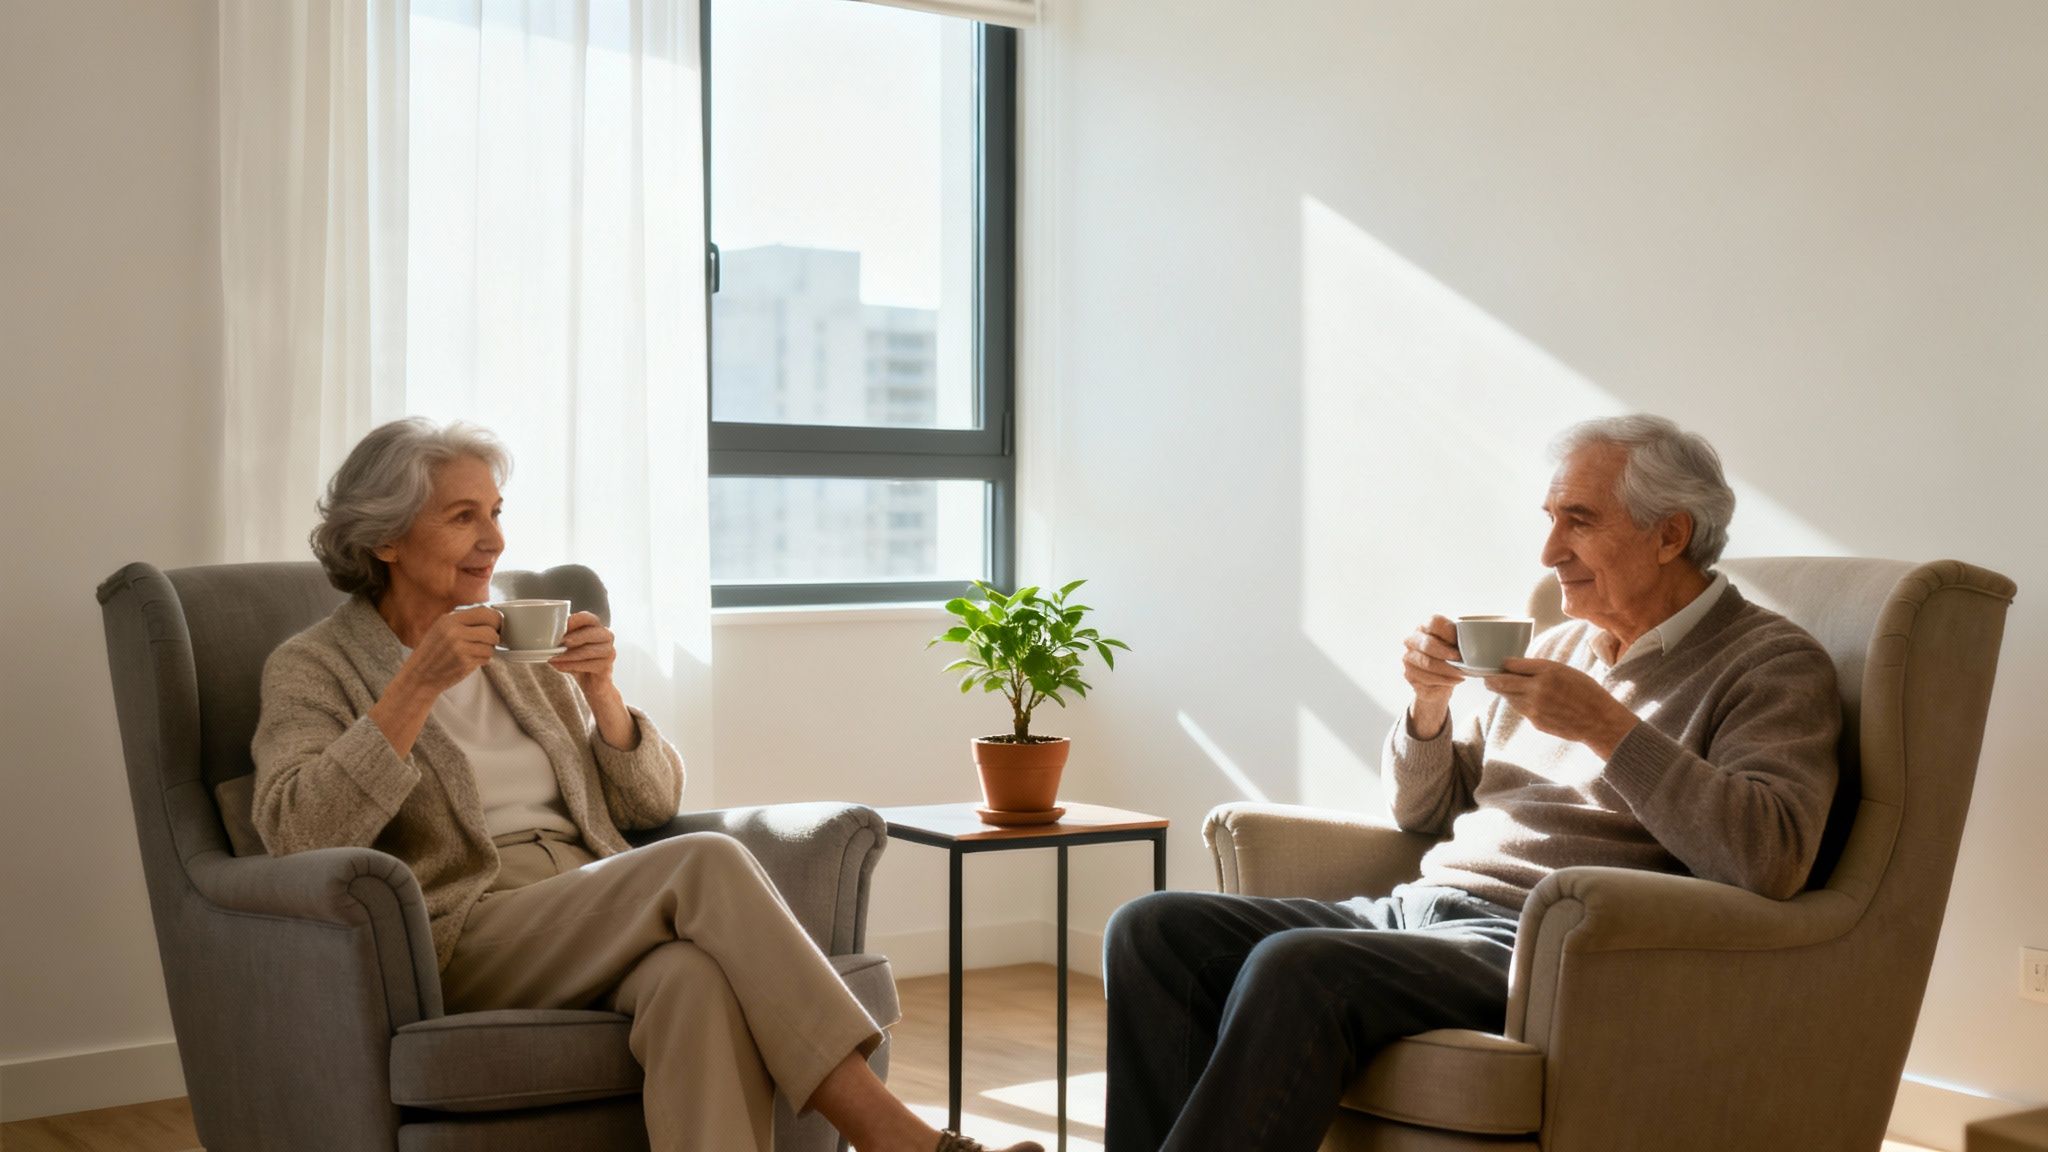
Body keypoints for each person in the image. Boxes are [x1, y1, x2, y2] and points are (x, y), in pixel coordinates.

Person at [253, 418, 1037, 1152]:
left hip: (592, 895)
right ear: (387, 536)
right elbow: (296, 832)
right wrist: (413, 690)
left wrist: (603, 696)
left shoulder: (521, 652)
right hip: (463, 929)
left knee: (689, 981)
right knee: (702, 861)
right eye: (463, 517)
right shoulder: (314, 665)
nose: (493, 540)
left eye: (496, 512)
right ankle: (899, 1139)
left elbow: (648, 807)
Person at [1101, 414, 1842, 1151]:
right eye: (1551, 520)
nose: (1550, 552)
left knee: (1299, 968)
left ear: (1670, 535)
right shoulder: (1556, 646)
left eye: (1578, 523)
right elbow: (1422, 812)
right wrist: (1429, 707)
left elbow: (1770, 855)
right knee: (1153, 930)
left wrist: (1608, 729)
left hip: (1542, 946)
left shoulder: (1770, 664)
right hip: (1416, 914)